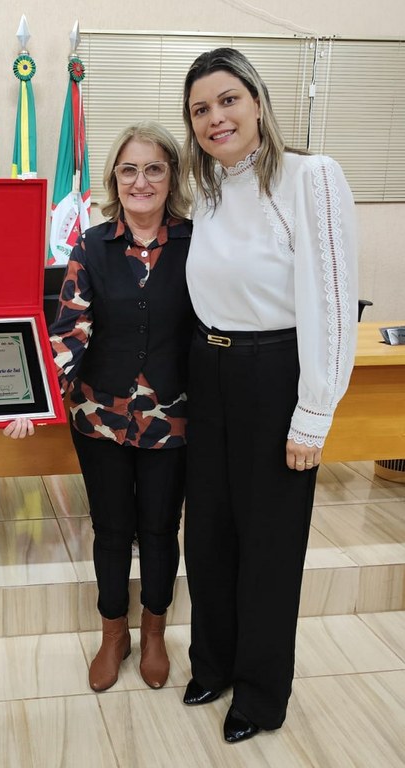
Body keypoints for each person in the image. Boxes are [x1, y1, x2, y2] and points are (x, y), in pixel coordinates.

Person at [180, 48, 358, 743]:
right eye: (200, 109)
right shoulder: (208, 188)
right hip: (209, 371)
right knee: (209, 535)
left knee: (268, 544)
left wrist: (314, 411)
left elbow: (333, 299)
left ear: (257, 101)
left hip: (273, 373)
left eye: (228, 100)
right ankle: (213, 663)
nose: (215, 118)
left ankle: (258, 694)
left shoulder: (310, 176)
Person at [5, 121, 194, 693]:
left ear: (171, 176)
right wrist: (36, 398)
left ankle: (155, 631)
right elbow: (69, 331)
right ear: (114, 177)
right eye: (129, 169)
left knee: (159, 529)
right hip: (99, 416)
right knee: (111, 530)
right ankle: (114, 633)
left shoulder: (197, 241)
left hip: (172, 418)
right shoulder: (91, 244)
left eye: (154, 168)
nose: (141, 181)